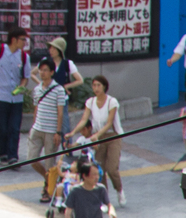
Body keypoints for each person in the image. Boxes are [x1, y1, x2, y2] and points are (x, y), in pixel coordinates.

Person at [69, 73, 122, 204]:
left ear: (104, 87)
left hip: (113, 136)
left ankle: (119, 190)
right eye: (94, 85)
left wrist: (97, 135)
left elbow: (109, 122)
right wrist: (73, 132)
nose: (96, 88)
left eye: (99, 85)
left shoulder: (112, 101)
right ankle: (105, 198)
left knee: (111, 168)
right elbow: (84, 119)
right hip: (98, 137)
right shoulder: (90, 102)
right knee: (99, 169)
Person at [27, 57, 68, 201]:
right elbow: (36, 108)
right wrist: (33, 125)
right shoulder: (37, 89)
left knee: (50, 164)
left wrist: (58, 132)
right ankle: (48, 178)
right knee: (32, 159)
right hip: (37, 128)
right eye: (40, 70)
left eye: (45, 70)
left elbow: (60, 112)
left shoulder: (59, 90)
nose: (42, 73)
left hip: (51, 131)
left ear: (52, 72)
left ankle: (48, 190)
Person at [0, 29, 30, 163]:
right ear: (14, 39)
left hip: (16, 98)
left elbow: (25, 77)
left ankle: (13, 155)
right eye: (23, 39)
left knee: (15, 127)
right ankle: (3, 152)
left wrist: (21, 86)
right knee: (3, 127)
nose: (25, 43)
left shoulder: (24, 56)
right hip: (1, 95)